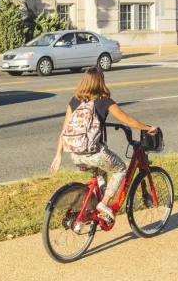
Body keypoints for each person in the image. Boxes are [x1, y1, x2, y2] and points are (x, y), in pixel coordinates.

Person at [50, 68, 158, 223]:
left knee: (102, 173)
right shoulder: (104, 100)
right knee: (120, 169)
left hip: (75, 155)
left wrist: (58, 155)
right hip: (94, 154)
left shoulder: (75, 100)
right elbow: (126, 119)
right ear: (100, 81)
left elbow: (64, 129)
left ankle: (97, 211)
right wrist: (147, 128)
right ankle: (104, 204)